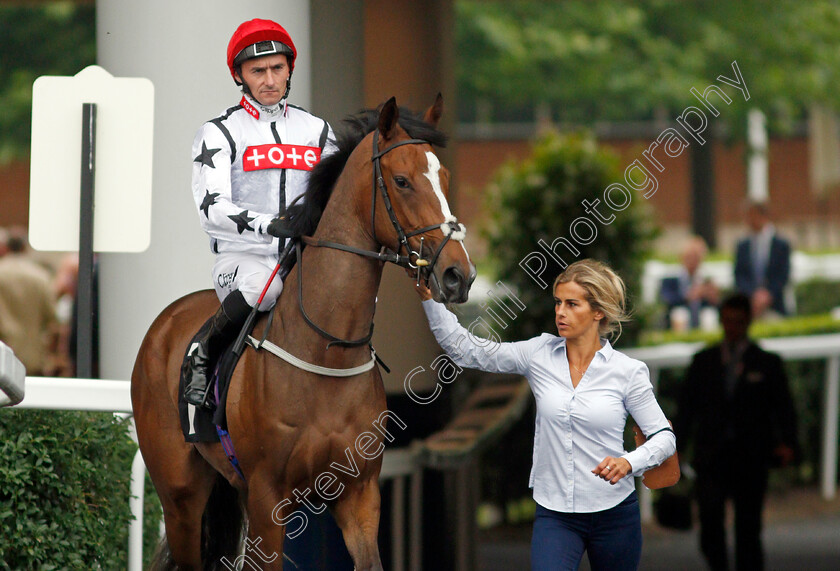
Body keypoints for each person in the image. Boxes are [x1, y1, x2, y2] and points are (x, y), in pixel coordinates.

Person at [416, 259, 675, 570]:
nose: (560, 312)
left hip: (614, 513)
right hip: (556, 514)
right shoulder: (538, 354)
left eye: (571, 304)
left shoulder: (628, 372)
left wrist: (627, 462)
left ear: (598, 312)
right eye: (558, 302)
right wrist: (430, 300)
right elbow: (467, 350)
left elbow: (664, 437)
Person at [183, 18, 337, 407]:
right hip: (242, 259)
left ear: (289, 70)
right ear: (240, 76)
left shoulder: (318, 130)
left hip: (303, 256)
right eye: (257, 71)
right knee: (264, 289)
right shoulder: (218, 132)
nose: (269, 80)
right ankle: (201, 351)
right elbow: (211, 209)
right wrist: (272, 225)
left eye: (277, 68)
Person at [674, 293, 799, 571]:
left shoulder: (767, 363)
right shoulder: (703, 362)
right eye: (727, 321)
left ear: (748, 322)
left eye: (738, 322)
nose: (732, 328)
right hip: (711, 455)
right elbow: (687, 410)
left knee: (749, 527)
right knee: (709, 522)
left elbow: (783, 407)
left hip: (751, 456)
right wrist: (677, 446)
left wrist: (788, 443)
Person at [0, 227, 60, 376]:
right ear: (25, 248)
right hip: (33, 357)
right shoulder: (41, 276)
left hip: (3, 356)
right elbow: (53, 318)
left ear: (6, 247)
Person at [733, 201, 791, 319]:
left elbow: (783, 274)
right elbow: (739, 274)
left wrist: (767, 295)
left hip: (775, 306)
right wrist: (752, 295)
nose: (748, 220)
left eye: (751, 216)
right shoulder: (742, 245)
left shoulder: (781, 245)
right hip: (749, 306)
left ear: (763, 216)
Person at [660, 236, 720, 330]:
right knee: (680, 315)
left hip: (702, 318)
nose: (693, 261)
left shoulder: (706, 279)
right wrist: (688, 296)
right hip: (677, 321)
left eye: (696, 258)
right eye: (689, 257)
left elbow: (716, 305)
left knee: (709, 316)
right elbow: (666, 300)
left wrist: (712, 297)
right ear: (681, 257)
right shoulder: (671, 278)